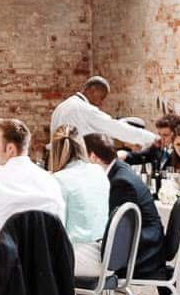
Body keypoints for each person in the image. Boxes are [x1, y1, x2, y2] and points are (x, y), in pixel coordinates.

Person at [0, 119, 64, 249]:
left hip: (6, 263)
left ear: (10, 149)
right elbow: (59, 229)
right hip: (45, 262)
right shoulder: (51, 181)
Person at [85, 132, 165, 277]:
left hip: (144, 253)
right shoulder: (118, 170)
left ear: (93, 157)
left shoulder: (120, 182)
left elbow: (117, 229)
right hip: (145, 244)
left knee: (74, 260)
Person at [48, 129, 110, 277]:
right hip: (109, 255)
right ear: (82, 146)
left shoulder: (58, 180)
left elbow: (57, 228)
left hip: (81, 258)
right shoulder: (99, 171)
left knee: (30, 258)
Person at [49, 76, 156, 151]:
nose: (100, 103)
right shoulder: (85, 109)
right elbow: (114, 127)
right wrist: (151, 138)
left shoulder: (61, 107)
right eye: (101, 98)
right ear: (93, 90)